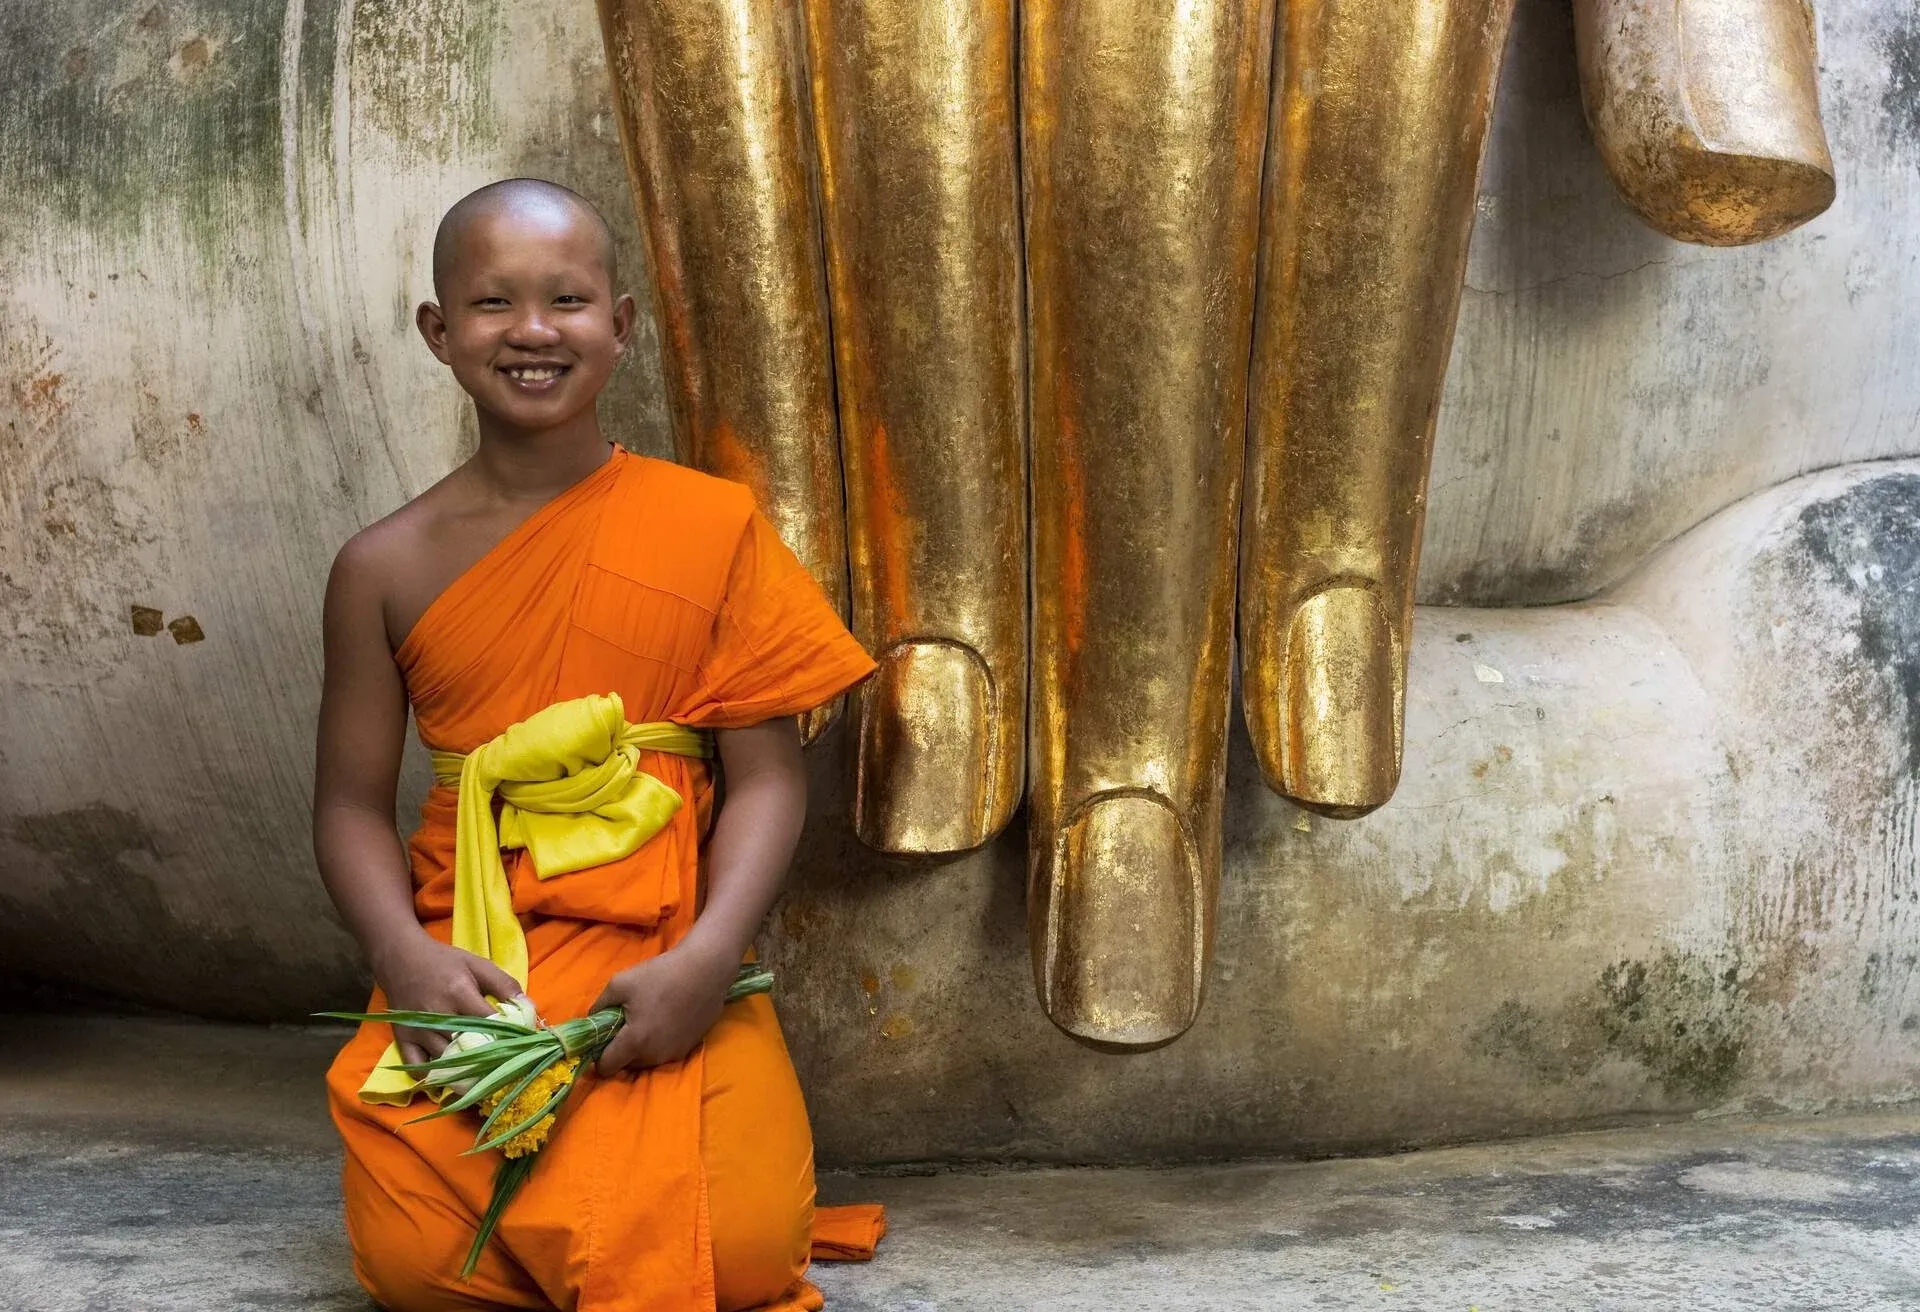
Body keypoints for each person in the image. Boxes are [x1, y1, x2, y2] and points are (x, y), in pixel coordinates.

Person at [314, 177, 882, 1312]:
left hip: (667, 948)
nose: (532, 330)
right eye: (493, 302)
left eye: (567, 300)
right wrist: (406, 958)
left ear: (620, 325)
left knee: (743, 1251)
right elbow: (347, 807)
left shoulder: (711, 525)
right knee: (419, 1266)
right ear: (439, 331)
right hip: (484, 960)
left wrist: (710, 957)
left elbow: (768, 779)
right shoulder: (382, 565)